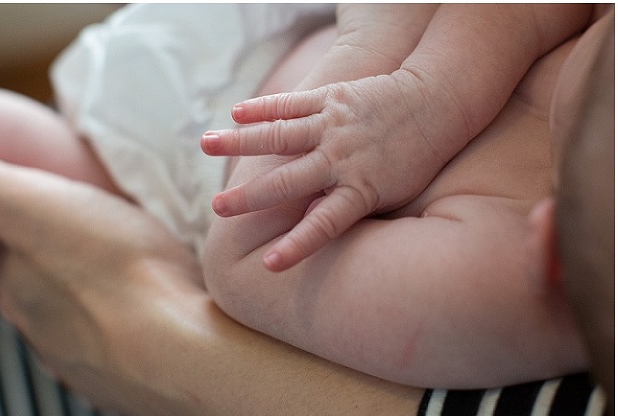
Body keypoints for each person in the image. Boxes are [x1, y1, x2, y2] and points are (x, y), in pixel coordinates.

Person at [0, 4, 613, 416]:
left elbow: (242, 267)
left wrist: (380, 120)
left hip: (169, 197)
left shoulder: (502, 281)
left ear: (553, 259)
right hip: (273, 38)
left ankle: (31, 312)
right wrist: (426, 84)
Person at [201, 4, 591, 271]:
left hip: (189, 125)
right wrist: (432, 91)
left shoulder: (501, 263)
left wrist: (376, 39)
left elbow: (242, 259)